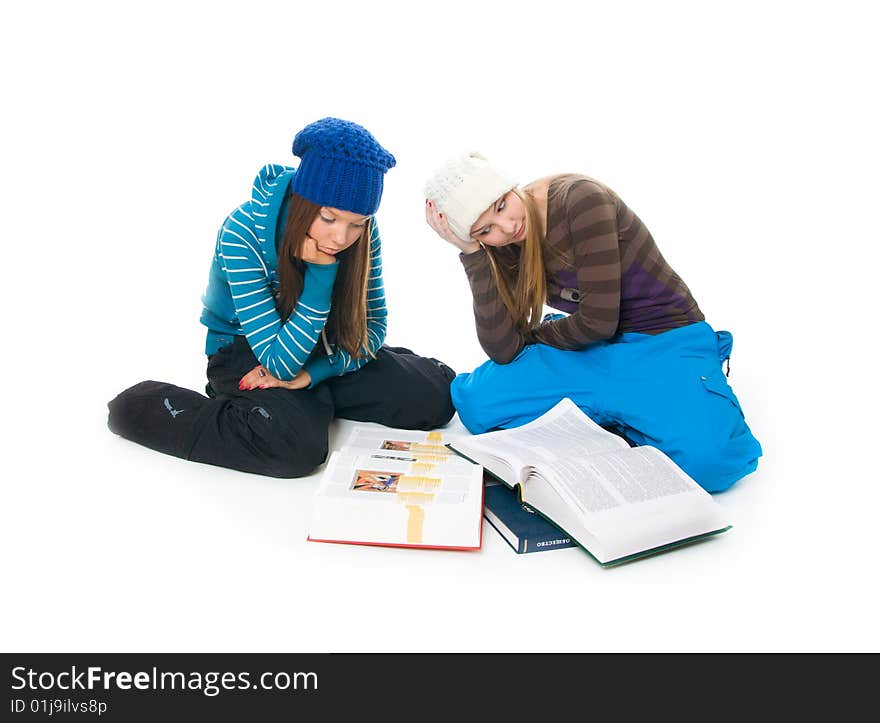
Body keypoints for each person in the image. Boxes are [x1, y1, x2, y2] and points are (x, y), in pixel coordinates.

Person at [108, 118, 456, 478]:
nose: (341, 237)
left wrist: (315, 375)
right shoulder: (241, 232)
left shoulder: (364, 231)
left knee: (437, 397)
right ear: (306, 202)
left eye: (357, 224)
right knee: (295, 447)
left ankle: (311, 398)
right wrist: (321, 275)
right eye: (328, 218)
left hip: (321, 344)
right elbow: (279, 365)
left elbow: (375, 323)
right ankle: (163, 405)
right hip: (247, 351)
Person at [424, 152, 761, 493]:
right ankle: (624, 412)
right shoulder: (501, 243)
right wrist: (474, 255)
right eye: (486, 230)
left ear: (508, 187)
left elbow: (599, 321)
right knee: (476, 405)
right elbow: (504, 348)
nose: (508, 227)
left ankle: (649, 402)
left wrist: (536, 335)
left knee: (713, 463)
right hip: (591, 346)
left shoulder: (580, 200)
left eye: (501, 206)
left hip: (661, 339)